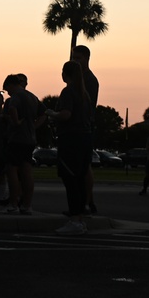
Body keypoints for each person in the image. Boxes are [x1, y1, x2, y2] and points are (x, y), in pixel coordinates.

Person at [49, 60, 93, 235]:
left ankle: (74, 220)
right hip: (85, 139)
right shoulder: (85, 95)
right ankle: (80, 219)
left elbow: (66, 114)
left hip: (71, 141)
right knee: (80, 180)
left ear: (66, 74)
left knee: (71, 180)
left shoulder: (68, 92)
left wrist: (52, 114)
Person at [2, 73, 44, 214]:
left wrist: (15, 122)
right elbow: (44, 113)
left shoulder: (16, 97)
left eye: (8, 90)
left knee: (12, 169)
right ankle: (27, 204)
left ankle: (13, 203)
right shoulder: (32, 97)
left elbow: (13, 109)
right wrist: (35, 126)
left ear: (11, 85)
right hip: (30, 139)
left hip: (16, 138)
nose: (8, 93)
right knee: (26, 171)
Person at [71, 44, 99, 214]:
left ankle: (88, 201)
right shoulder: (79, 79)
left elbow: (86, 105)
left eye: (78, 58)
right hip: (79, 128)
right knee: (79, 167)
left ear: (87, 58)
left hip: (84, 128)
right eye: (74, 58)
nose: (76, 61)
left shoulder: (89, 80)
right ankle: (84, 201)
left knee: (85, 166)